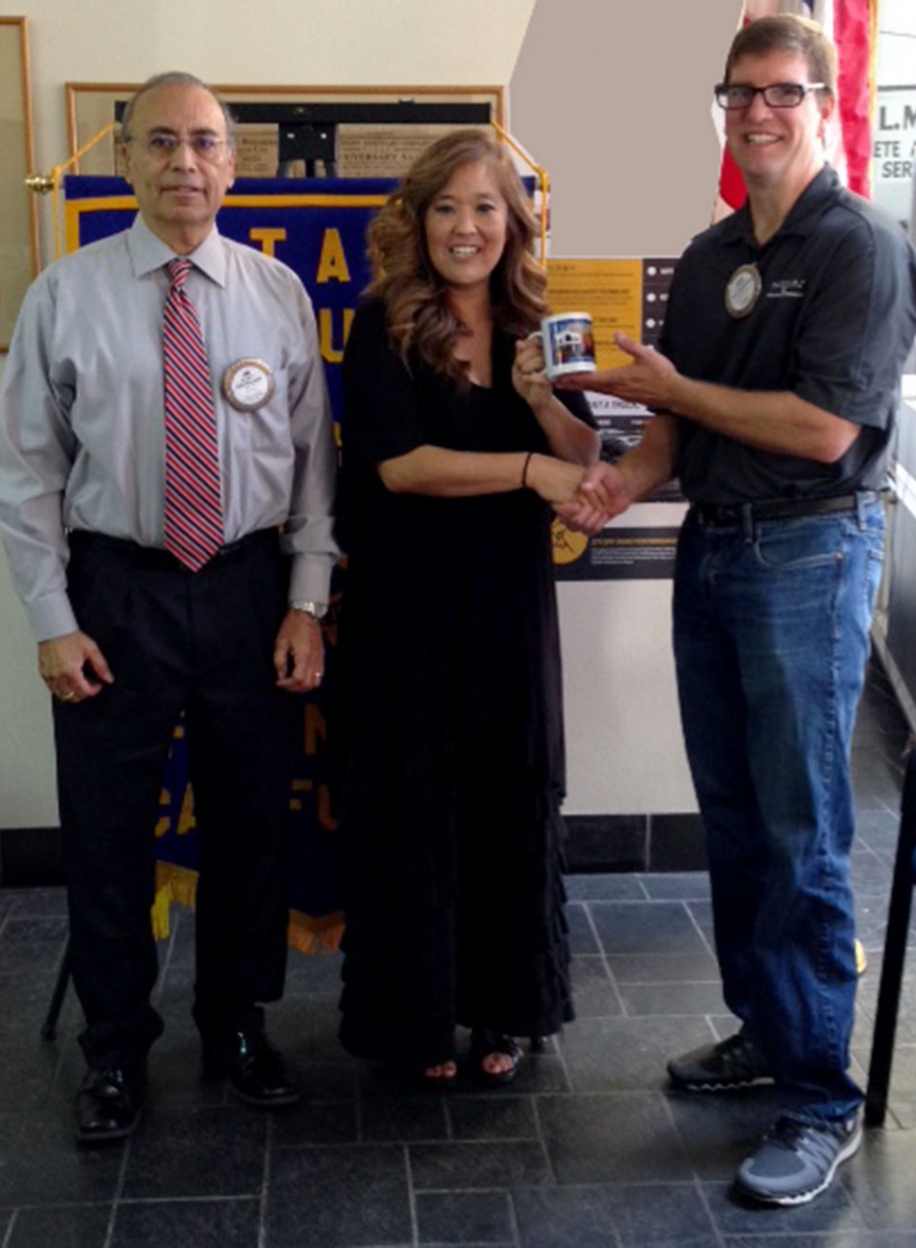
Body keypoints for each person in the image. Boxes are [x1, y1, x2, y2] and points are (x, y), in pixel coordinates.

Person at [556, 15, 916, 1206]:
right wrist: (619, 479)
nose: (755, 113)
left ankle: (820, 1099)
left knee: (802, 828)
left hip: (810, 556)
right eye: (737, 95)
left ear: (822, 102)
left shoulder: (861, 245)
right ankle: (767, 1032)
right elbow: (679, 424)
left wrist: (673, 393)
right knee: (734, 812)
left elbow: (823, 430)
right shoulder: (712, 253)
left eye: (779, 93)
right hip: (714, 556)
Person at [0, 72, 338, 1143]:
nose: (185, 162)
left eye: (206, 143)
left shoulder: (277, 293)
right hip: (114, 590)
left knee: (247, 829)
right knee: (106, 838)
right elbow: (21, 474)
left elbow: (316, 464)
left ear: (233, 164)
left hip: (246, 589)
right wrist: (53, 618)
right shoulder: (64, 295)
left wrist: (307, 601)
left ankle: (235, 1024)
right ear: (126, 160)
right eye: (162, 143)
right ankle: (116, 1052)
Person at [335, 129, 598, 1085]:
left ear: (512, 224)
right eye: (446, 206)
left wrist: (541, 405)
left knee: (505, 794)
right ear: (417, 220)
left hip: (507, 609)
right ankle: (415, 1023)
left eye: (485, 207)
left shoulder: (538, 326)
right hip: (409, 609)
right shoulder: (383, 324)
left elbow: (582, 462)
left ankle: (504, 1013)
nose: (465, 226)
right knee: (417, 808)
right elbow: (402, 467)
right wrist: (529, 467)